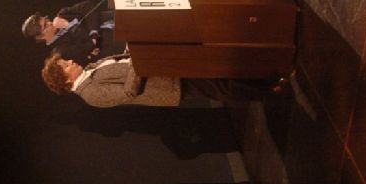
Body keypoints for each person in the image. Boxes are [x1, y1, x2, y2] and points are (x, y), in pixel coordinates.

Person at [41, 51, 279, 108]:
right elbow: (128, 92)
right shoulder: (90, 94)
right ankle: (269, 91)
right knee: (220, 88)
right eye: (66, 66)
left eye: (66, 61)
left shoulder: (90, 69)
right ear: (65, 80)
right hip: (167, 85)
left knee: (217, 74)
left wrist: (131, 51)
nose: (70, 61)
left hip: (162, 69)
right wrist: (137, 61)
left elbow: (122, 64)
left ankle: (266, 80)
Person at [21, 0, 120, 67]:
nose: (50, 22)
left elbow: (88, 6)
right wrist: (68, 26)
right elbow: (89, 46)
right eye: (45, 25)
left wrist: (93, 34)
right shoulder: (61, 51)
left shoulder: (62, 14)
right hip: (116, 41)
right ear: (40, 37)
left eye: (46, 19)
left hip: (115, 17)